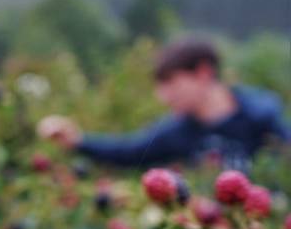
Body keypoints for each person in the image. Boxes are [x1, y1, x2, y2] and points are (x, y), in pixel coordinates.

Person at [37, 39, 290, 168]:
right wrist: (78, 141)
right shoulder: (178, 131)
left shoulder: (262, 118)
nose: (163, 96)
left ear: (203, 72)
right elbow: (131, 151)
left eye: (171, 83)